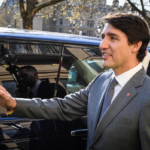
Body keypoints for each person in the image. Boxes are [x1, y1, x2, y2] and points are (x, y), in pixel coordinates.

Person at [0, 13, 150, 150]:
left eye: (113, 38)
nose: (102, 45)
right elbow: (63, 107)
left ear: (136, 45)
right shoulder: (101, 80)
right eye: (103, 37)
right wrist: (13, 103)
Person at [16, 65, 86, 150]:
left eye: (24, 76)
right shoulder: (30, 93)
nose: (21, 79)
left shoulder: (52, 88)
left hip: (59, 137)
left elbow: (61, 109)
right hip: (42, 137)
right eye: (19, 77)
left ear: (34, 75)